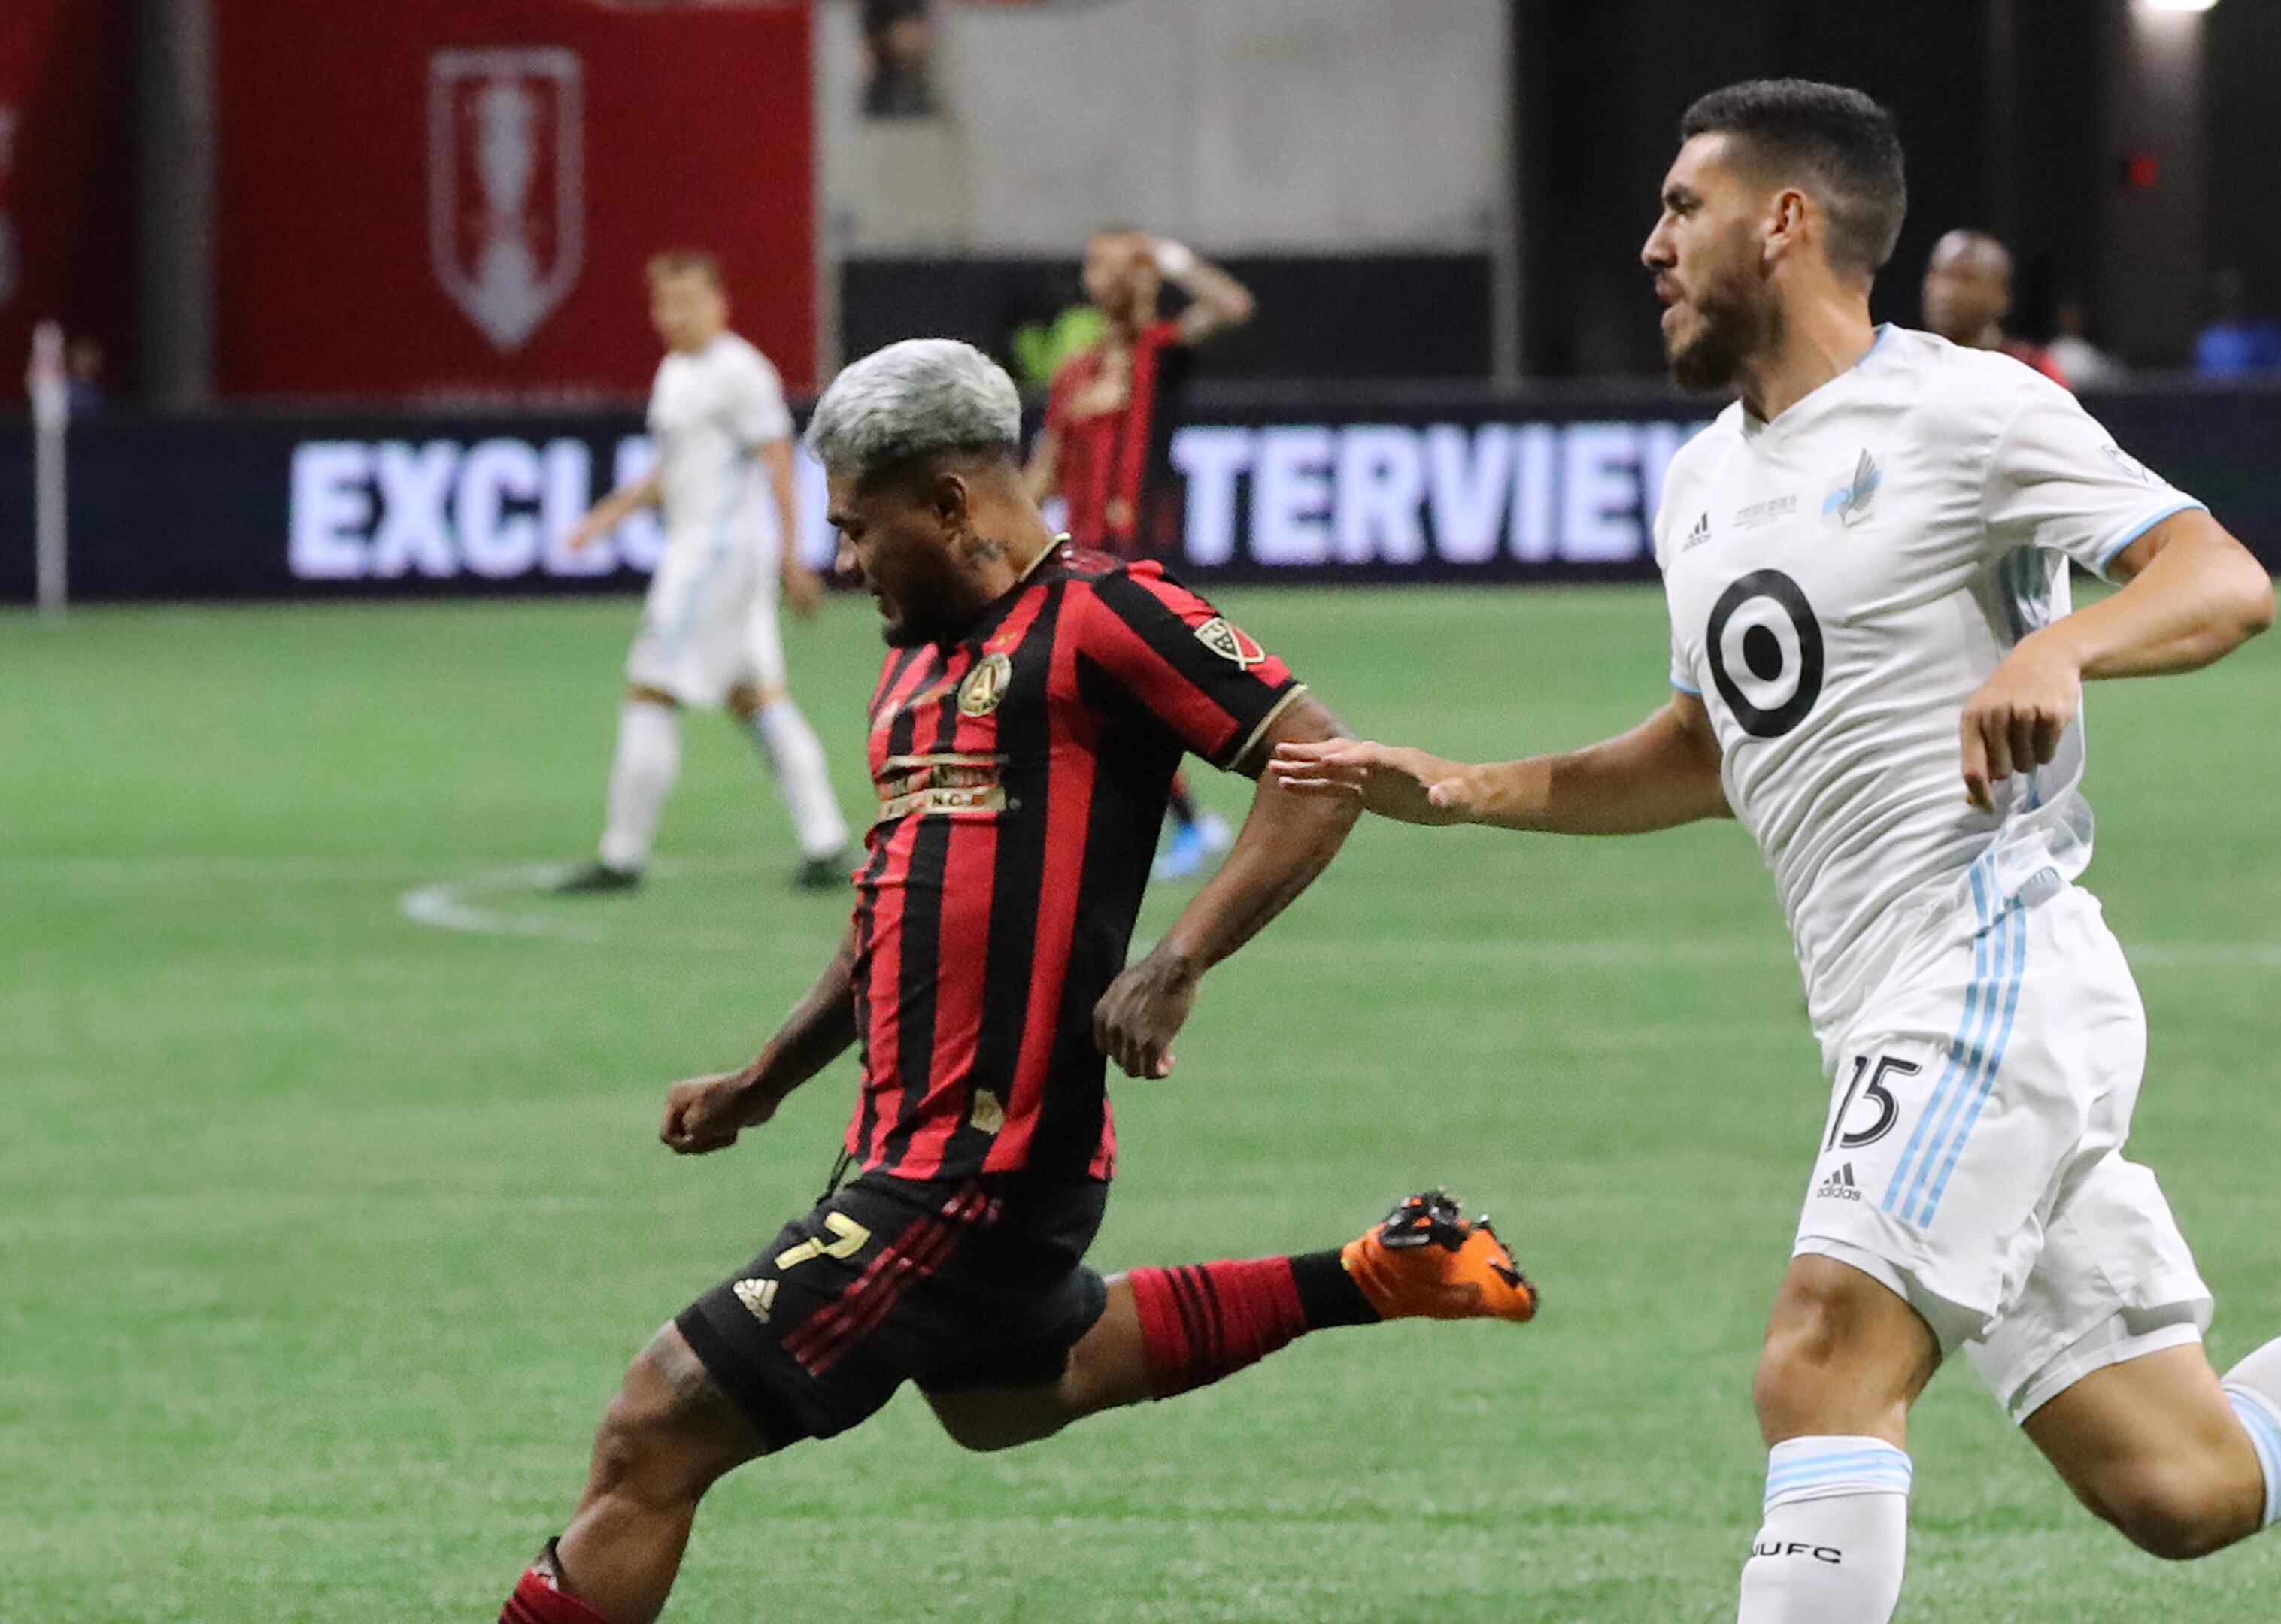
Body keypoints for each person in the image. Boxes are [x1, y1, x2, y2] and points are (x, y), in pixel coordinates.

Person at [1275, 78, 2281, 1624]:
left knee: (1820, 1363)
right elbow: (1712, 750)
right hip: (1884, 1010)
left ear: (1787, 222)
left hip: (1989, 973)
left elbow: (2220, 577)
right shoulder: (1704, 487)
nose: (1651, 243)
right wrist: (1472, 789)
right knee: (2185, 1484)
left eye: (1685, 206)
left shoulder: (1961, 410)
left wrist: (2063, 649)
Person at [495, 338, 1539, 1624]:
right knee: (1005, 1394)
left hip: (980, 1160)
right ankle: (1382, 1272)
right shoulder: (915, 663)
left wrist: (1180, 955)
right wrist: (765, 1080)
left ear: (948, 504)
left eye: (859, 530)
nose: (841, 562)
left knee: (654, 1429)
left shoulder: (1110, 613)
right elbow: (890, 906)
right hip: (902, 1147)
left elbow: (1319, 765)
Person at [554, 253, 854, 894]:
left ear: (720, 303)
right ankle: (826, 841)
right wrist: (608, 516)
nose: (676, 314)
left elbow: (778, 459)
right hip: (712, 556)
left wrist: (793, 554)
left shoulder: (738, 370)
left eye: (690, 300)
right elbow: (675, 471)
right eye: (665, 302)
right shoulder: (676, 372)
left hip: (713, 557)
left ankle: (621, 856)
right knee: (757, 698)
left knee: (650, 691)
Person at [1027, 229, 1258, 879]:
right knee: (1111, 695)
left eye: (1117, 262)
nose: (1105, 274)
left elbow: (1233, 306)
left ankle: (1231, 795)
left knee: (1132, 693)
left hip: (1145, 555)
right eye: (1096, 262)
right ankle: (1187, 820)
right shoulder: (1076, 371)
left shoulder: (1162, 351)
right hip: (1080, 558)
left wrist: (1175, 257)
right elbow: (1047, 465)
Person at [1920, 228, 2064, 386]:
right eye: (1940, 275)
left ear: (2002, 296)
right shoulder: (1906, 362)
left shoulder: (2033, 370)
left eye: (1967, 278)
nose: (1947, 292)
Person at [2193, 268, 2281, 379]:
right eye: (2225, 299)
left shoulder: (2270, 336)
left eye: (2236, 298)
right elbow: (2199, 386)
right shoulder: (2208, 341)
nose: (2232, 305)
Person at [2044, 297, 2125, 389]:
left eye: (2074, 316)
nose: (2070, 321)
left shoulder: (2091, 354)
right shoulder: (2049, 353)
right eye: (2067, 316)